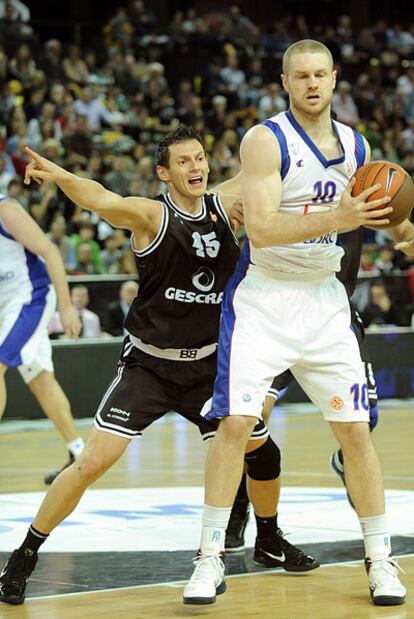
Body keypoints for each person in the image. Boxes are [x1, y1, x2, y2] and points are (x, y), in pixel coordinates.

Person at [0, 125, 317, 607]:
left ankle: (268, 539)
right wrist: (61, 173)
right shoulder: (151, 216)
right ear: (164, 173)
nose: (196, 167)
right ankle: (23, 556)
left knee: (263, 451)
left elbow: (269, 166)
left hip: (209, 368)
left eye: (200, 158)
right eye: (184, 162)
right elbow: (99, 198)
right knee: (91, 461)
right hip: (149, 367)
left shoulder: (225, 203)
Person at [184, 39, 407, 607]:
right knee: (236, 424)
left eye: (321, 75)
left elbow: (369, 216)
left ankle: (380, 562)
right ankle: (209, 558)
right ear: (286, 82)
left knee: (355, 433)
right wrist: (342, 215)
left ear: (336, 80)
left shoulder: (358, 145)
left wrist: (398, 227)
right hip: (264, 296)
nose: (312, 84)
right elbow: (259, 227)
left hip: (324, 298)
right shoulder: (265, 140)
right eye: (300, 76)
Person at [227, 221, 414, 548]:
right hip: (275, 308)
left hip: (331, 313)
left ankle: (347, 466)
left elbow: (396, 218)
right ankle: (243, 515)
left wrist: (407, 235)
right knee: (253, 420)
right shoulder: (283, 178)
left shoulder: (353, 177)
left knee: (362, 423)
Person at [0, 195, 84, 487]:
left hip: (30, 297)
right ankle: (79, 452)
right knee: (40, 379)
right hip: (6, 305)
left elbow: (50, 251)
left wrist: (66, 307)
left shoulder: (6, 211)